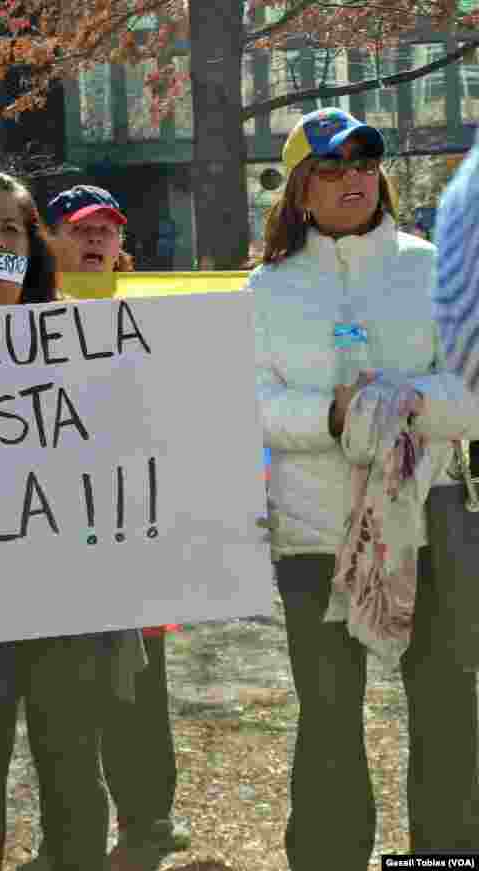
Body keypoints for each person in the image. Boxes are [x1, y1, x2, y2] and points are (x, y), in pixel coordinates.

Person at [251, 106, 479, 869]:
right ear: (298, 190)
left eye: (365, 160)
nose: (354, 177)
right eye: (331, 166)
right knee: (327, 717)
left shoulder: (436, 266)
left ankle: (447, 860)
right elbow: (251, 406)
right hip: (313, 531)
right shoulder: (264, 290)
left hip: (429, 519)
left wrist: (411, 401)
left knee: (448, 710)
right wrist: (333, 412)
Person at [0, 168, 145, 871]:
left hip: (67, 601)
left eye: (10, 228)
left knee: (74, 769)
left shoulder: (88, 340)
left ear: (31, 248)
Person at [45, 184, 189, 871]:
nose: (97, 239)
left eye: (107, 227)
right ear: (51, 240)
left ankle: (149, 818)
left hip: (135, 529)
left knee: (141, 683)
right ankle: (66, 832)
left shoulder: (153, 317)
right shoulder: (21, 320)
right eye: (81, 228)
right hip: (50, 535)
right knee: (63, 696)